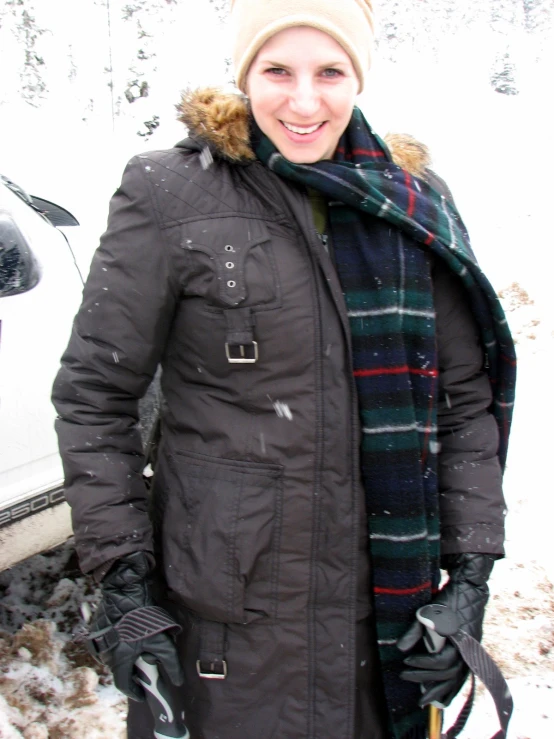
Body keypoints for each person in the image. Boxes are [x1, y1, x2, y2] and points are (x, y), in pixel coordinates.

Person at [52, 1, 516, 737]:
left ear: (357, 76)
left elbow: (461, 405)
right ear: (245, 76)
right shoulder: (170, 193)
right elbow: (95, 395)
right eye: (277, 70)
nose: (304, 101)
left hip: (383, 619)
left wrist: (469, 577)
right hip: (223, 620)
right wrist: (124, 579)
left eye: (330, 71)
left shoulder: (412, 202)